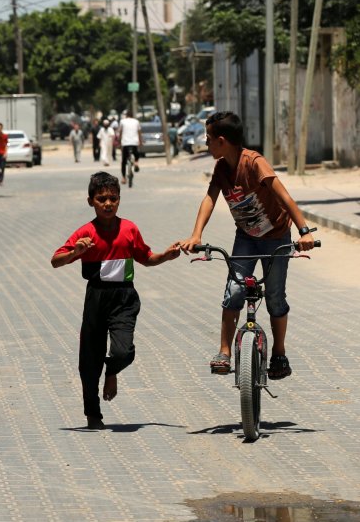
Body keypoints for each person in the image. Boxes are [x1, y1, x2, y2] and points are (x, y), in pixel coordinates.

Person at [177, 111, 316, 380]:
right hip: (246, 238)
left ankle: (279, 353)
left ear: (221, 140)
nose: (205, 143)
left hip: (276, 236)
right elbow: (209, 199)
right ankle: (224, 352)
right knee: (234, 291)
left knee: (275, 297)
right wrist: (196, 235)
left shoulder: (254, 162)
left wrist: (304, 231)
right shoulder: (220, 168)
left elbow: (283, 195)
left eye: (207, 138)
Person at [52, 172, 181, 430]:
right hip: (96, 297)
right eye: (101, 199)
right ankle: (93, 415)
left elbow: (147, 258)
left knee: (124, 351)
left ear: (120, 200)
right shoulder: (86, 232)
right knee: (89, 359)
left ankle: (111, 372)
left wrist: (166, 256)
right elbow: (55, 260)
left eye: (113, 198)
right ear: (91, 201)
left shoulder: (129, 229)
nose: (108, 204)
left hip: (124, 297)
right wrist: (76, 252)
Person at [117, 110, 142, 185]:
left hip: (125, 143)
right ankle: (136, 163)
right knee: (137, 154)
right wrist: (140, 141)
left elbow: (120, 132)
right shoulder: (136, 121)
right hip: (134, 142)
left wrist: (119, 142)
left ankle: (124, 178)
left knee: (124, 161)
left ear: (126, 115)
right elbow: (139, 132)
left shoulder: (122, 121)